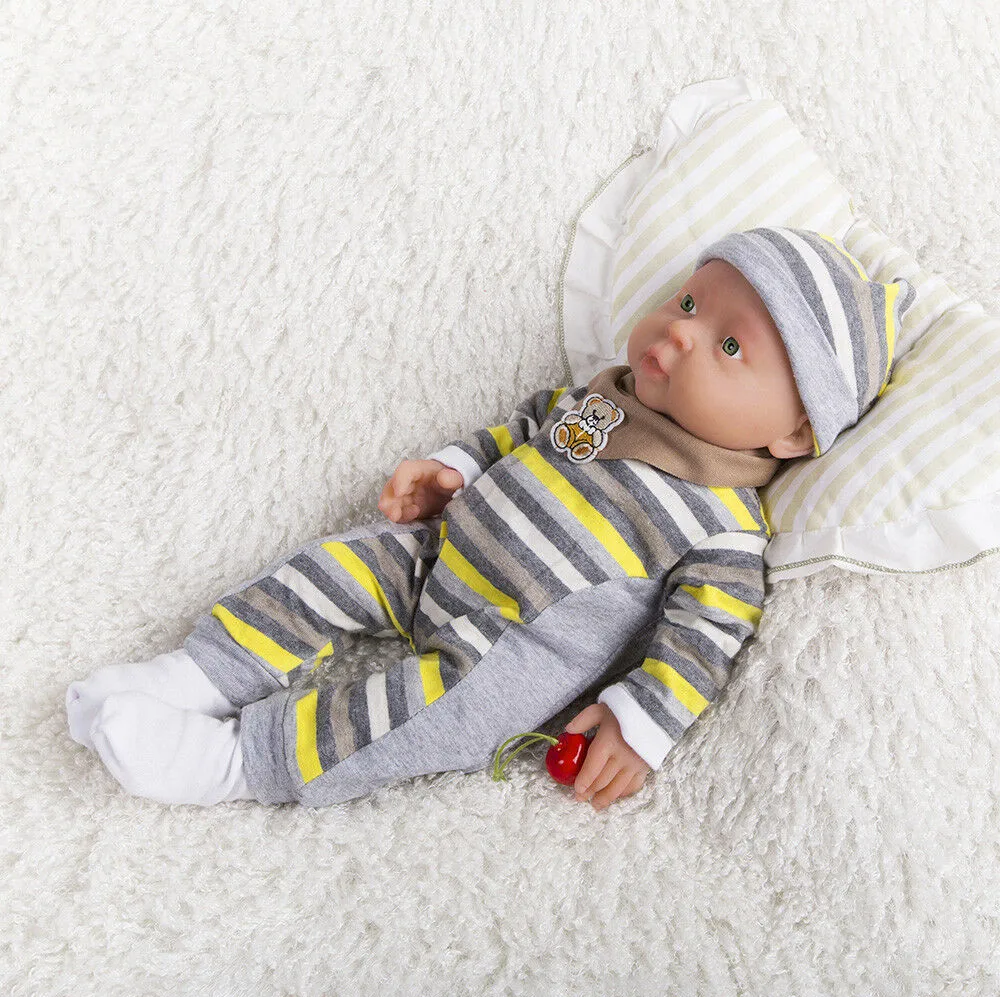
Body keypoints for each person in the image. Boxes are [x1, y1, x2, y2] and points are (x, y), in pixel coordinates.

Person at [65, 228, 914, 810]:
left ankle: (234, 763)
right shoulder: (601, 398)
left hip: (507, 653)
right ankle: (199, 673)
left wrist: (640, 724)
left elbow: (705, 639)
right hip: (437, 555)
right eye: (690, 304)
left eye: (731, 348)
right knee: (336, 564)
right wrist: (453, 471)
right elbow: (520, 430)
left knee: (404, 713)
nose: (683, 334)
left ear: (793, 433)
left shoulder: (723, 525)